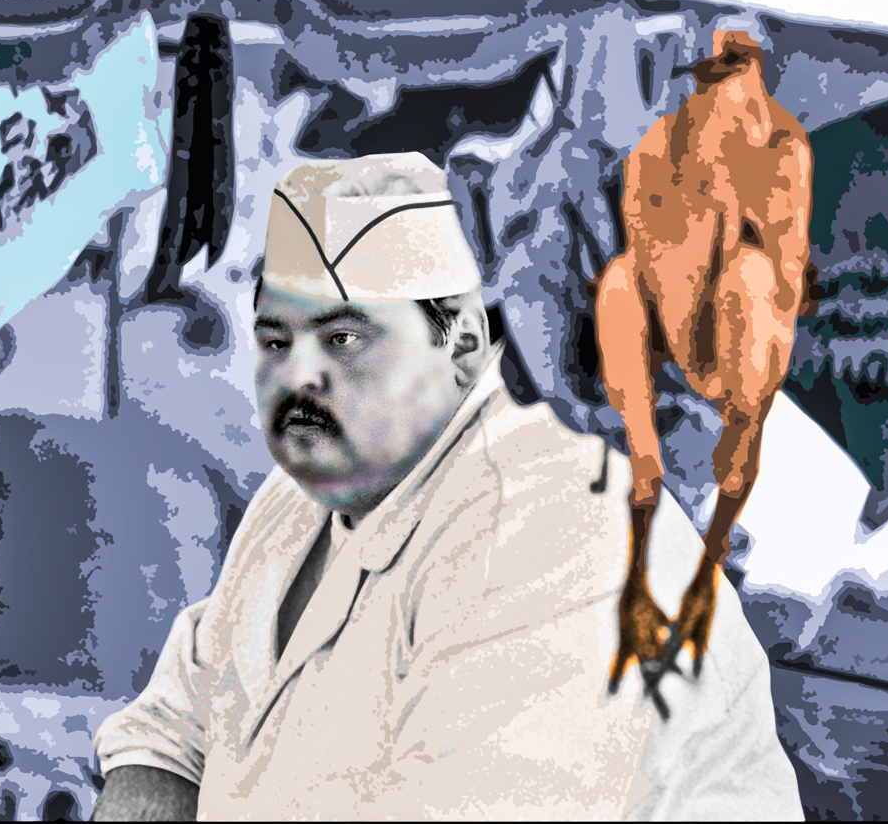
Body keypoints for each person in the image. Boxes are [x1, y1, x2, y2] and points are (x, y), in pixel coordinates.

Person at [90, 153, 802, 820]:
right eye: (277, 339)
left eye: (344, 339)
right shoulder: (298, 500)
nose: (300, 377)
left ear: (460, 345)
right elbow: (176, 725)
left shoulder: (549, 530)